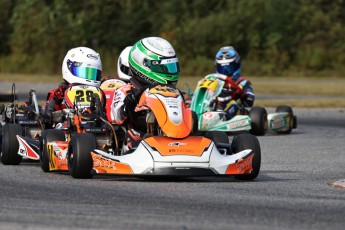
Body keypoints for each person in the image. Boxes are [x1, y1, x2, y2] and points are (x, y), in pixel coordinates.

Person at [111, 37, 180, 151]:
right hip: (140, 141)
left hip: (171, 139)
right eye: (162, 67)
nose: (168, 72)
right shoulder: (126, 90)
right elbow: (118, 117)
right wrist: (131, 102)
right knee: (133, 135)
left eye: (171, 66)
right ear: (144, 65)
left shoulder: (173, 92)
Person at [44, 47, 102, 127]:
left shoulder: (100, 94)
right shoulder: (60, 93)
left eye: (93, 73)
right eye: (83, 72)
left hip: (95, 127)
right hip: (67, 130)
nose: (88, 78)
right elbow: (47, 115)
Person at [214, 46, 255, 120]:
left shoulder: (243, 83)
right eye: (222, 68)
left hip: (236, 112)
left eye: (228, 68)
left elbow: (249, 102)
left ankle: (223, 118)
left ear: (237, 65)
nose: (225, 72)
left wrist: (240, 92)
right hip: (215, 107)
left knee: (233, 104)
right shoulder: (214, 81)